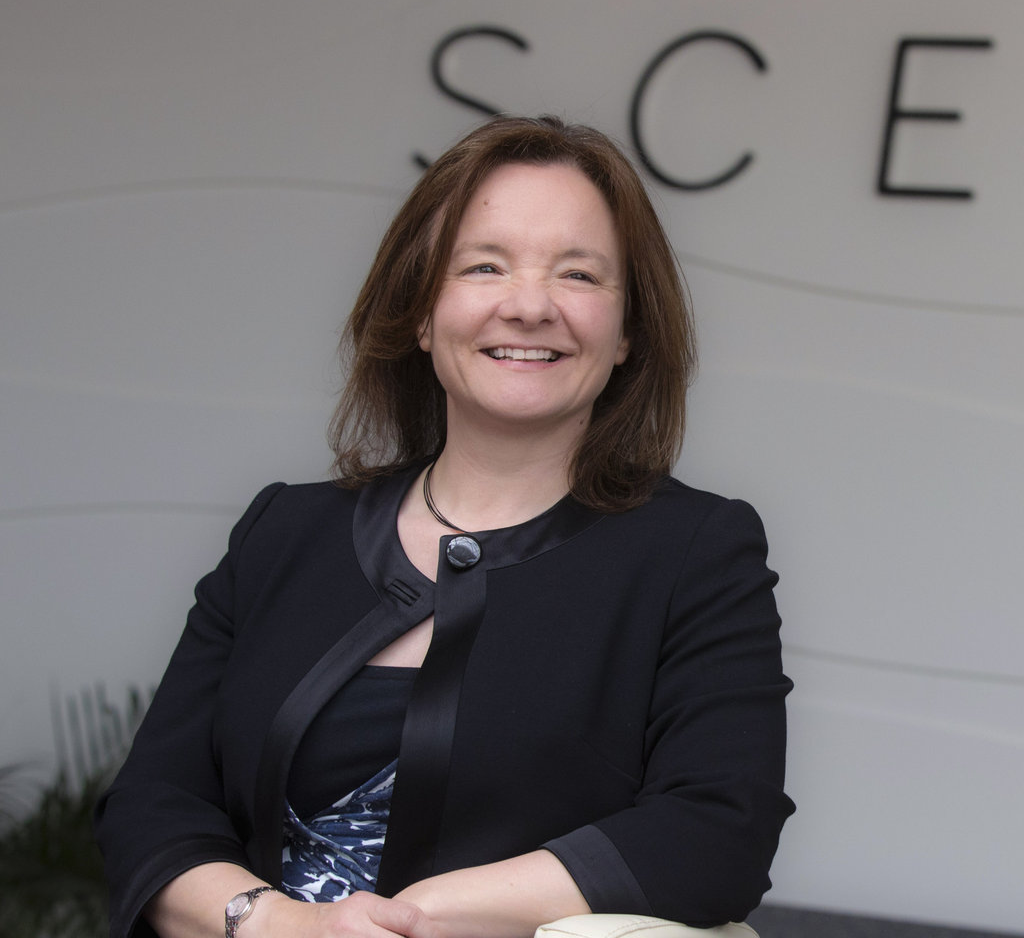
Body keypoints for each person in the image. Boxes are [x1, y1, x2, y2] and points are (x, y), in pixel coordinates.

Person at [95, 115, 794, 938]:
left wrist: (409, 921)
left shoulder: (695, 554)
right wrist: (278, 924)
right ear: (422, 314)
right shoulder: (284, 531)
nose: (528, 306)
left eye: (578, 274)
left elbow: (717, 831)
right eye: (484, 266)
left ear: (627, 333)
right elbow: (152, 804)